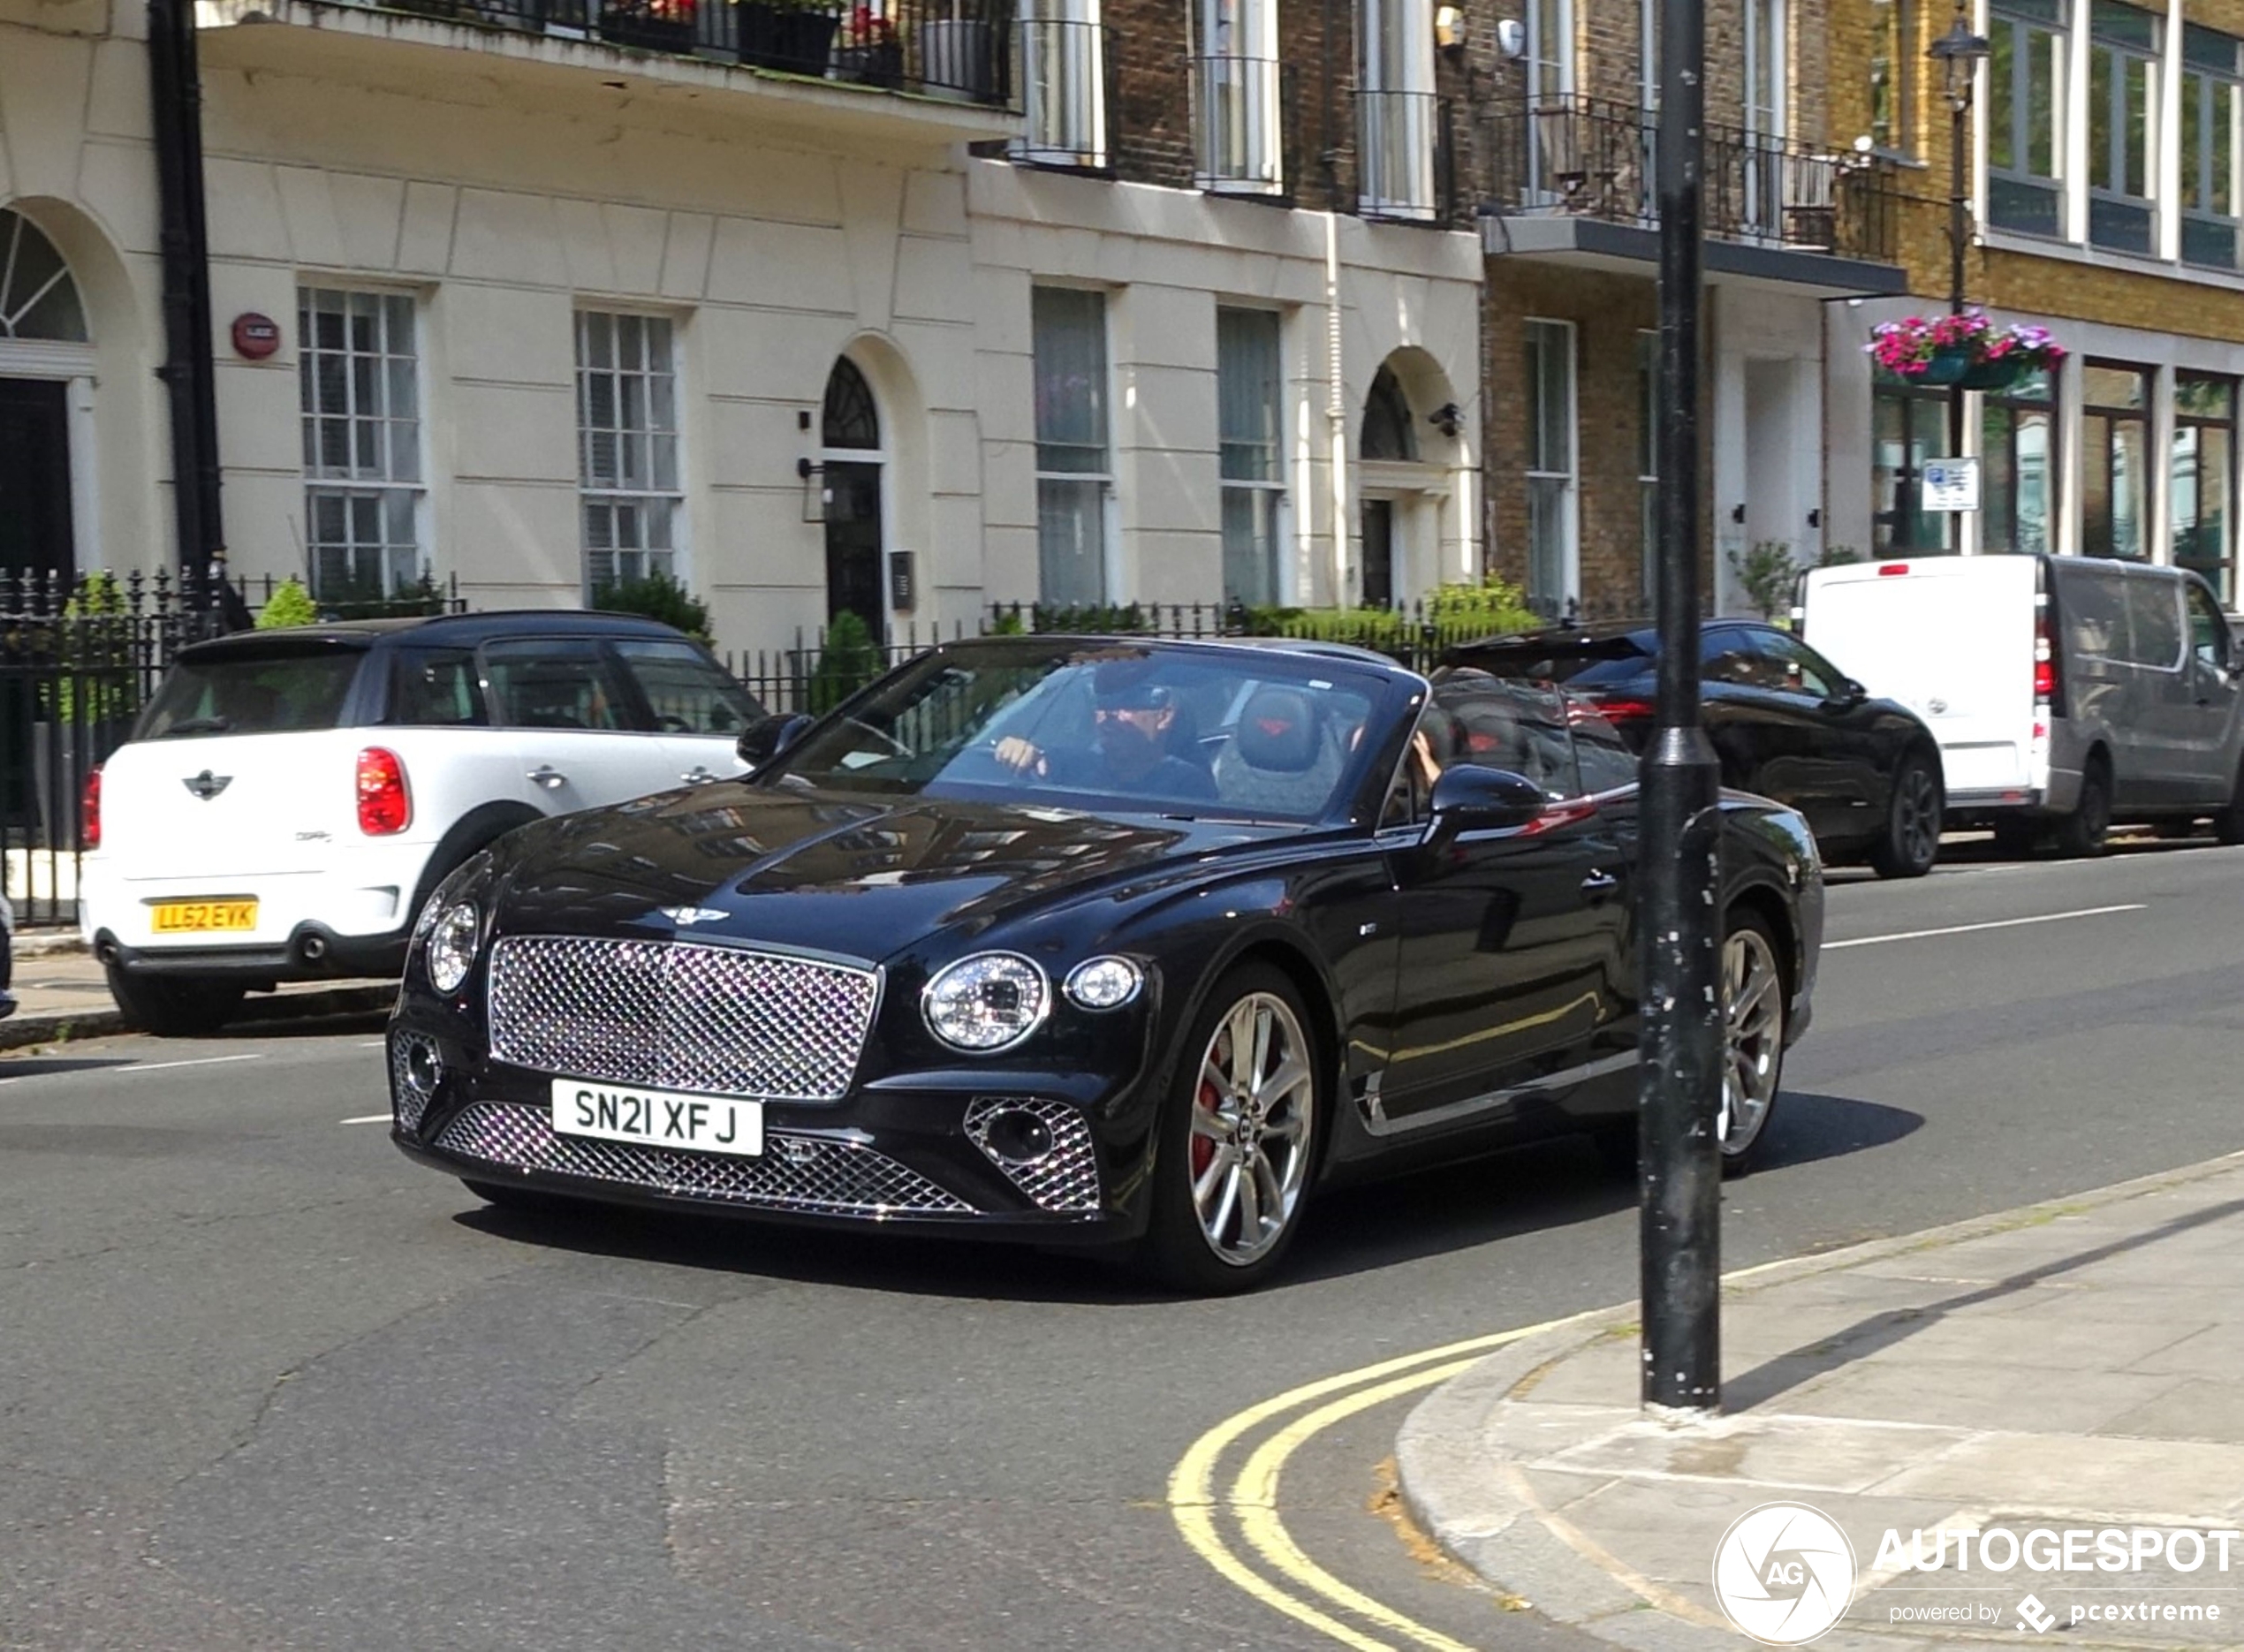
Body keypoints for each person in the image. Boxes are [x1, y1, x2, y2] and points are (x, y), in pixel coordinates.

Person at [992, 661, 1217, 802]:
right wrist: (1018, 751)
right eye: (1103, 705)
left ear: (1164, 716)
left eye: (1127, 702)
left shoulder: (1187, 785)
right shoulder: (1068, 767)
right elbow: (1031, 766)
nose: (1109, 717)